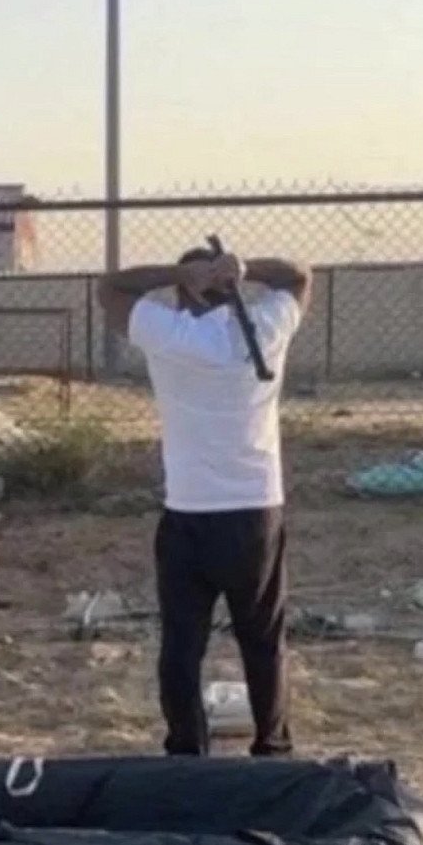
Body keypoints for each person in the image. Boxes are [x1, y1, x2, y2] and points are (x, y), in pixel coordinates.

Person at [98, 247, 313, 757]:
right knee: (262, 640)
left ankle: (187, 752)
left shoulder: (171, 335)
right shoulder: (266, 328)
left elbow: (110, 289)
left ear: (185, 295)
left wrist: (179, 273)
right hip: (256, 512)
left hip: (189, 512)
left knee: (182, 643)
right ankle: (272, 749)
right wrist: (247, 268)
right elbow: (300, 277)